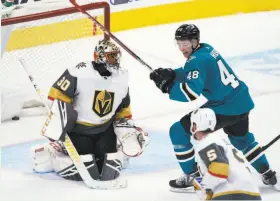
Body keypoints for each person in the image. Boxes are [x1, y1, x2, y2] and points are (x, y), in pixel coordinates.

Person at [149, 24, 279, 192]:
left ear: (195, 42)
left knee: (178, 131)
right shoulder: (206, 49)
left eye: (186, 44)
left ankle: (193, 176)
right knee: (241, 139)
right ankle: (267, 173)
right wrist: (173, 74)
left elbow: (190, 93)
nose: (182, 48)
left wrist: (167, 87)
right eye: (179, 43)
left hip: (224, 106)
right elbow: (195, 70)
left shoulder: (197, 61)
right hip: (241, 101)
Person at [31, 40, 149, 183]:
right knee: (84, 170)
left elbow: (123, 109)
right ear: (100, 57)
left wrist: (129, 131)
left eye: (117, 56)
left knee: (109, 171)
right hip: (78, 131)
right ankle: (54, 152)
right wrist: (59, 122)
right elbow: (57, 93)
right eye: (111, 56)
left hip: (105, 130)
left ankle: (118, 150)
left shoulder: (122, 78)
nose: (116, 61)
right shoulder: (79, 72)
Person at [190, 108, 262, 200]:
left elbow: (219, 167)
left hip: (232, 193)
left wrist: (205, 187)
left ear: (195, 126)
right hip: (253, 195)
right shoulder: (223, 143)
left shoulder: (207, 141)